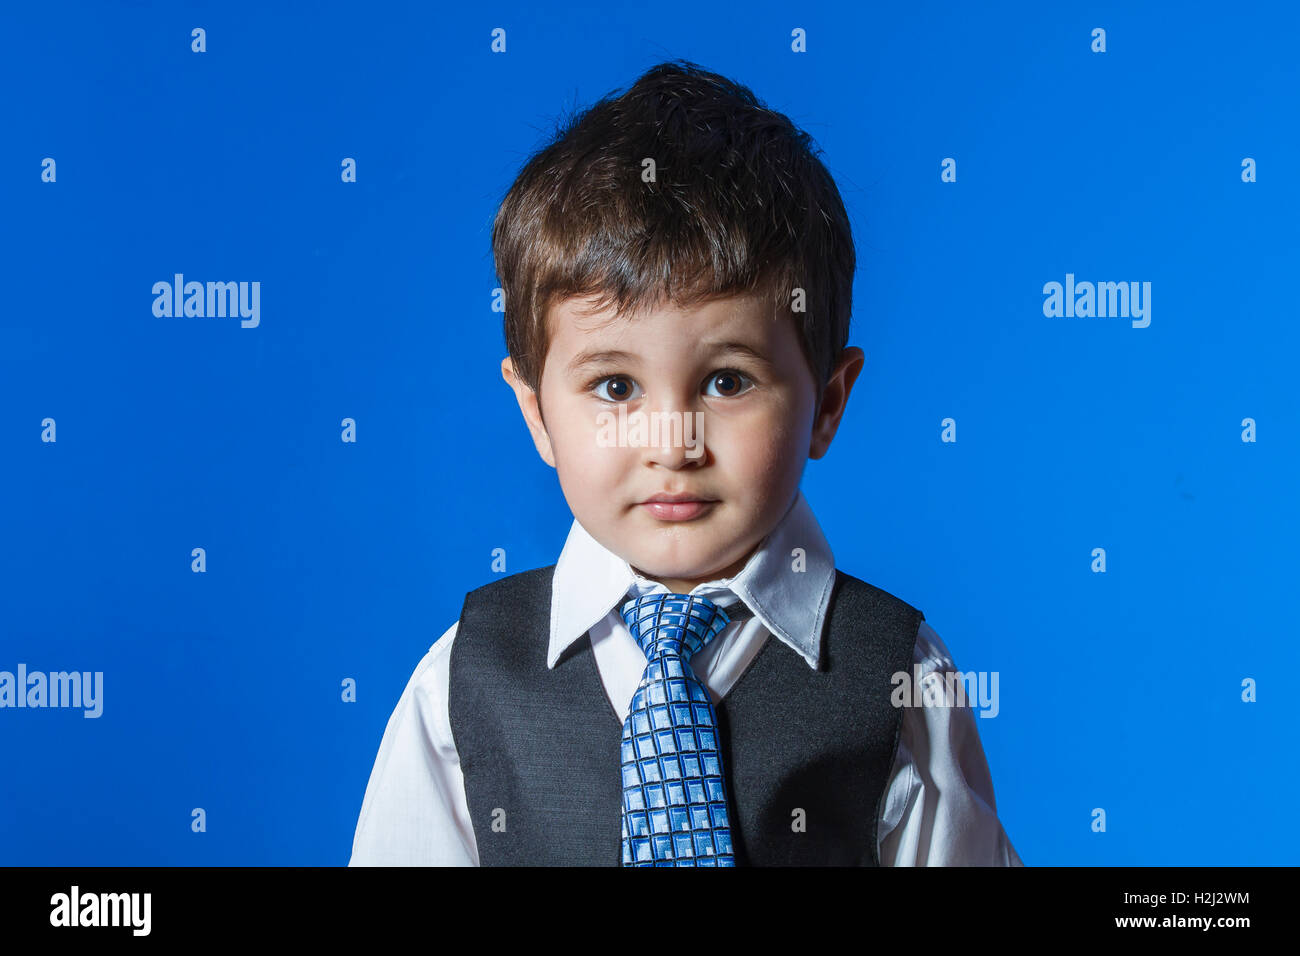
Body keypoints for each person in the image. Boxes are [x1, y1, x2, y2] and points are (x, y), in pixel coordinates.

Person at [349, 58, 1022, 867]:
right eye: (614, 386)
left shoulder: (896, 674)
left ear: (829, 403)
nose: (671, 440)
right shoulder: (463, 681)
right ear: (537, 413)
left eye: (727, 381)